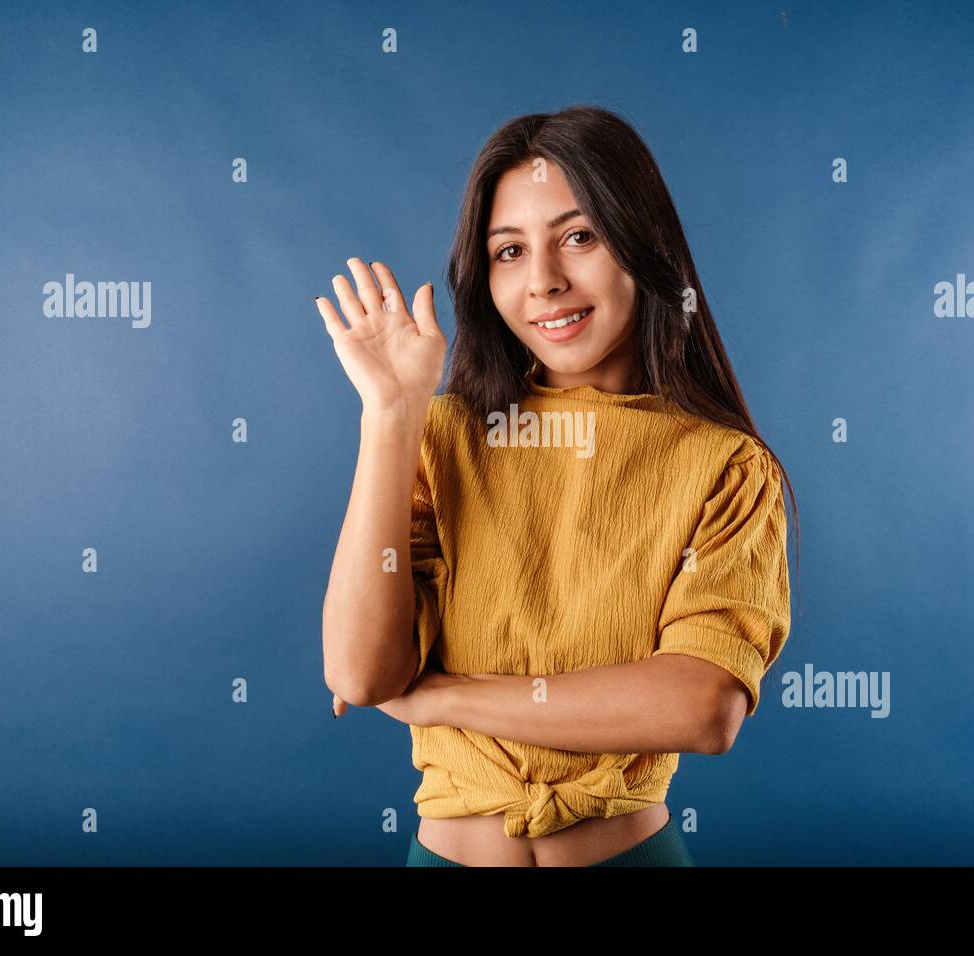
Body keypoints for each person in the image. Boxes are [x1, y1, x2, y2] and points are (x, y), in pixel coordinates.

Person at [316, 105, 800, 867]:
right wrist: (392, 414)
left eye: (579, 237)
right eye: (510, 251)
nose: (543, 282)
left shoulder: (724, 466)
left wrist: (442, 697)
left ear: (644, 245)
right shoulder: (441, 438)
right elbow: (358, 670)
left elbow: (704, 705)